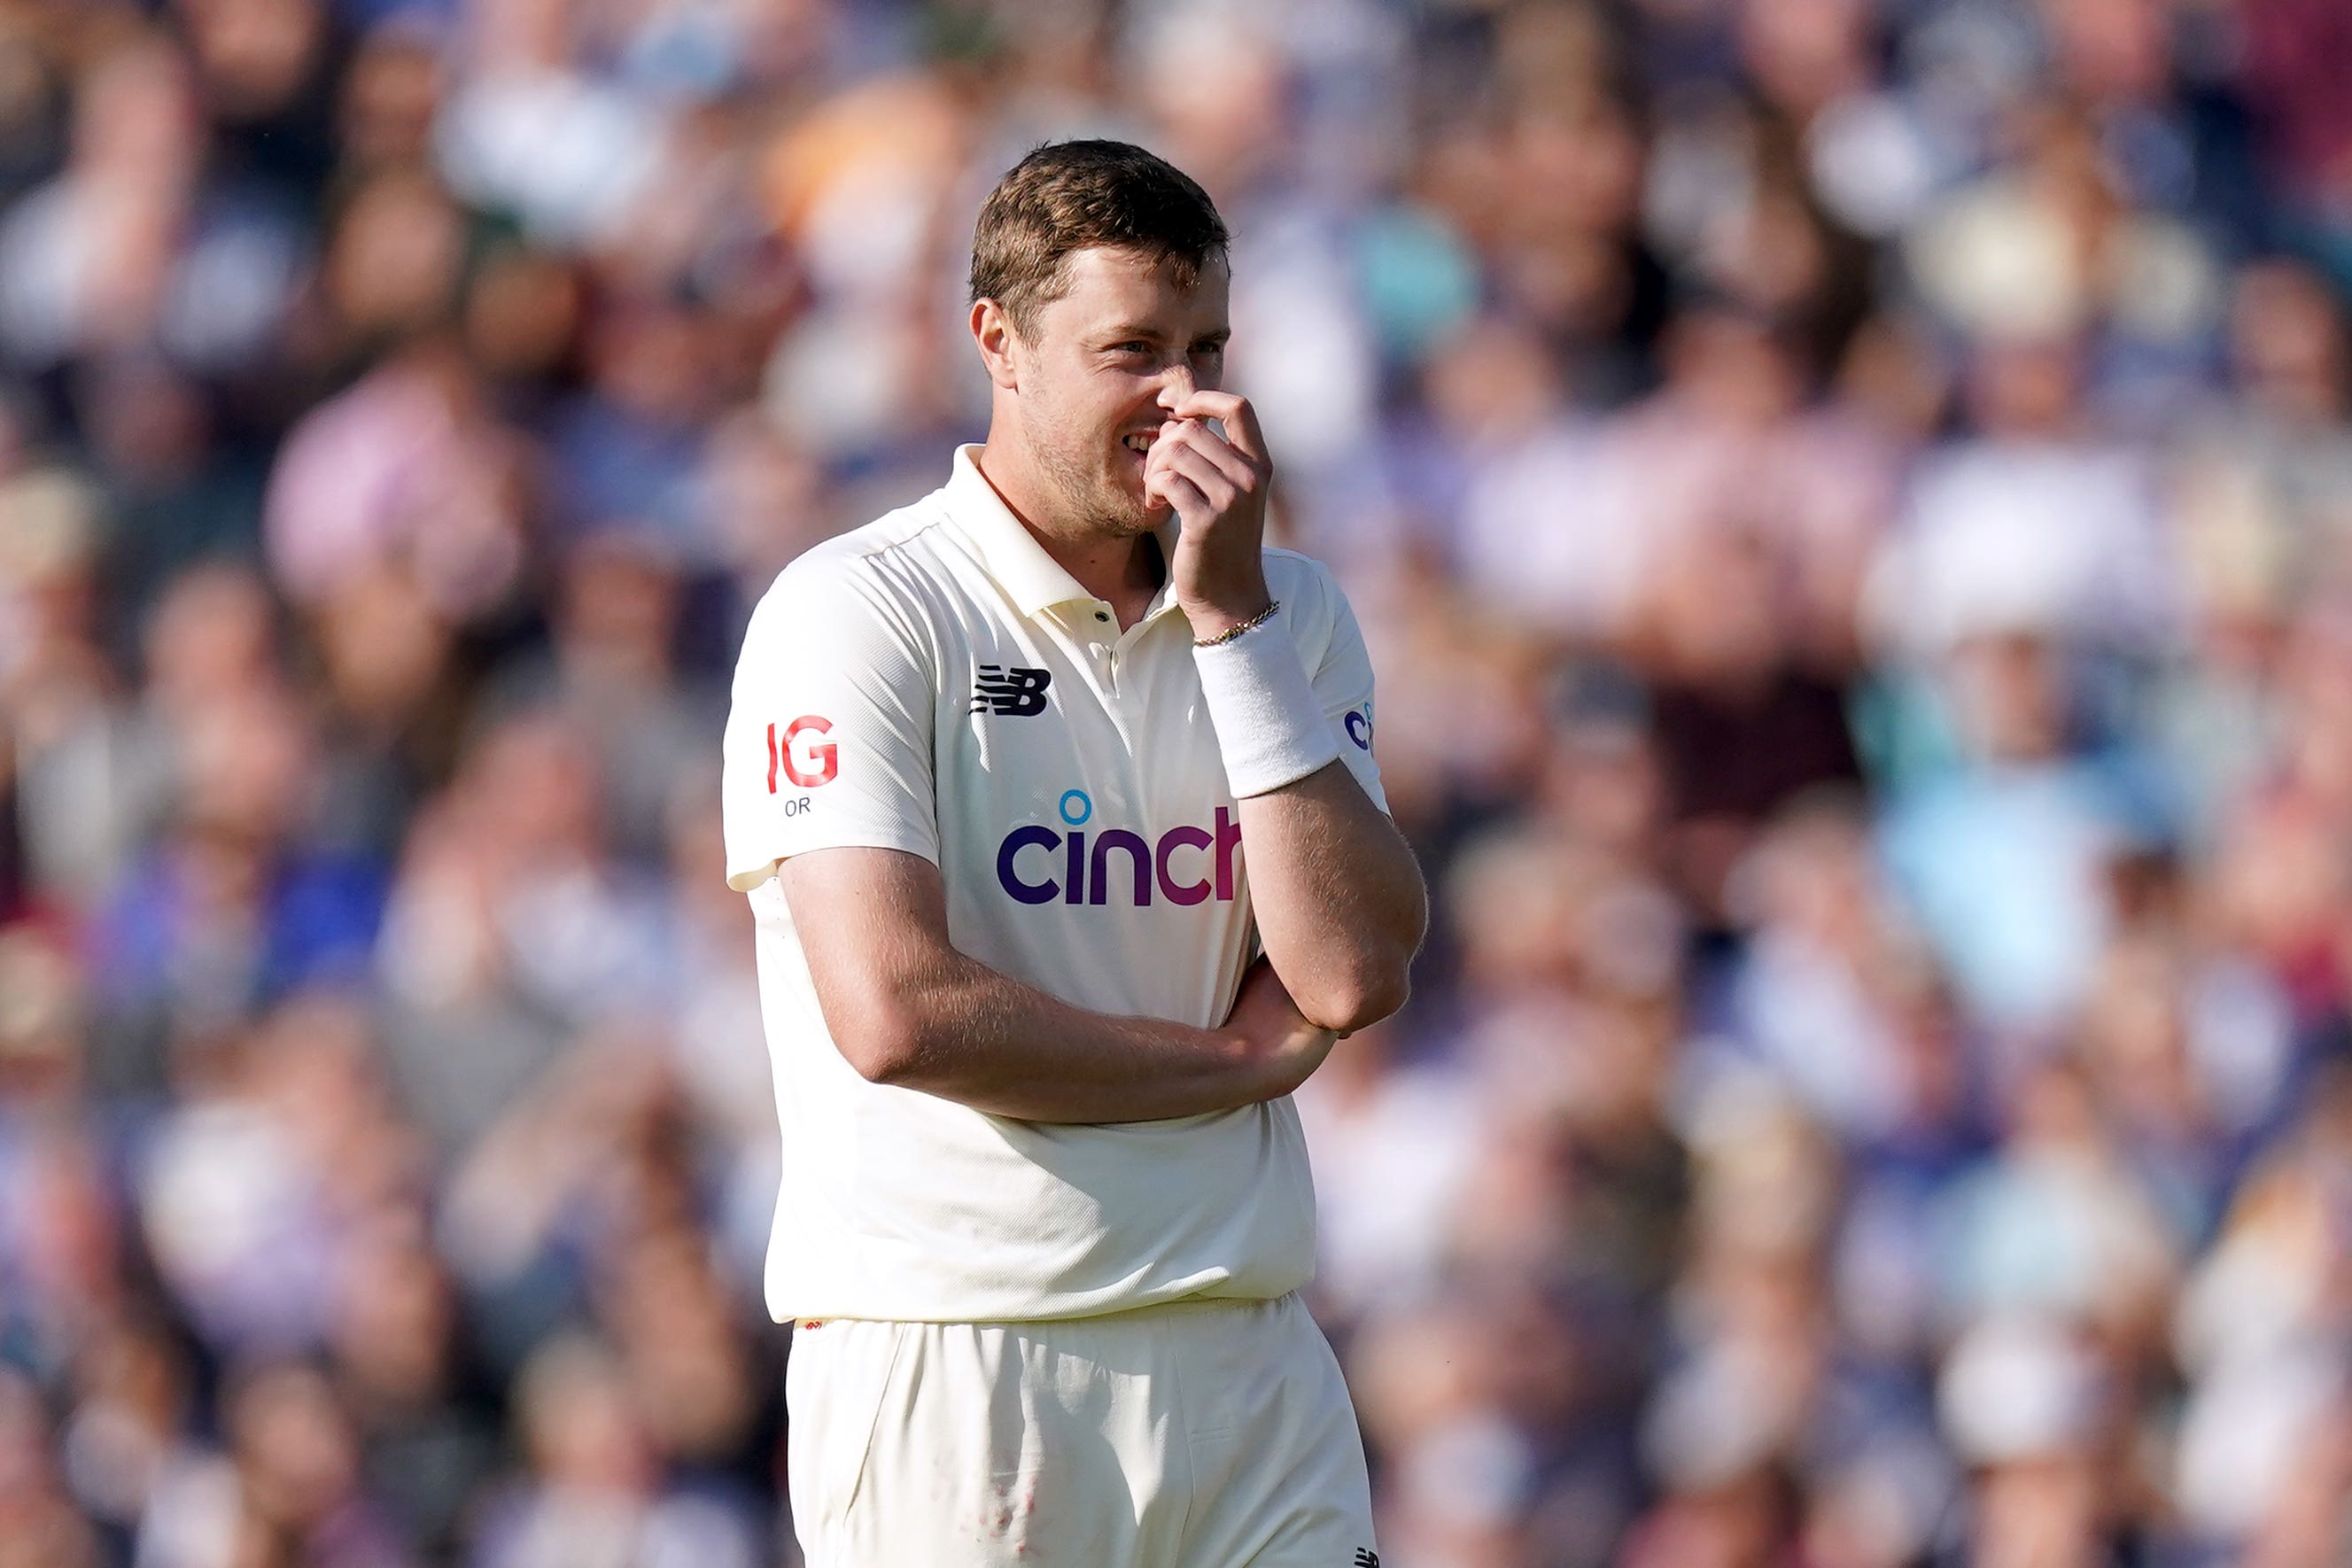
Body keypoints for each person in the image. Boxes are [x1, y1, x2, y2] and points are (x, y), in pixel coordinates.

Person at [718, 139, 1427, 1565]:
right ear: (1001, 341)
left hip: (1245, 1353)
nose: (1185, 399)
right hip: (960, 1359)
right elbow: (898, 1012)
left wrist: (1233, 631)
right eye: (1131, 351)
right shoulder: (862, 609)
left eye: (1208, 345)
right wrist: (1226, 1066)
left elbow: (1349, 969)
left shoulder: (1289, 611)